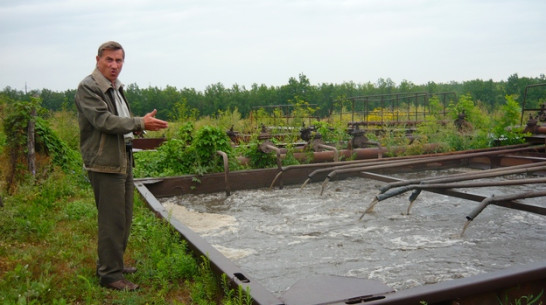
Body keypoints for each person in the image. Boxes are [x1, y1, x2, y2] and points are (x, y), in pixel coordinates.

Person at [75, 41, 168, 291]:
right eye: (109, 60)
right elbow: (104, 121)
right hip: (105, 163)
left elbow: (122, 120)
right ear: (98, 60)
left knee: (124, 217)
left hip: (122, 158)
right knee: (111, 219)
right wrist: (139, 123)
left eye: (119, 61)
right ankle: (110, 275)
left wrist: (136, 125)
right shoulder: (89, 87)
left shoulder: (116, 87)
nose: (114, 66)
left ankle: (112, 263)